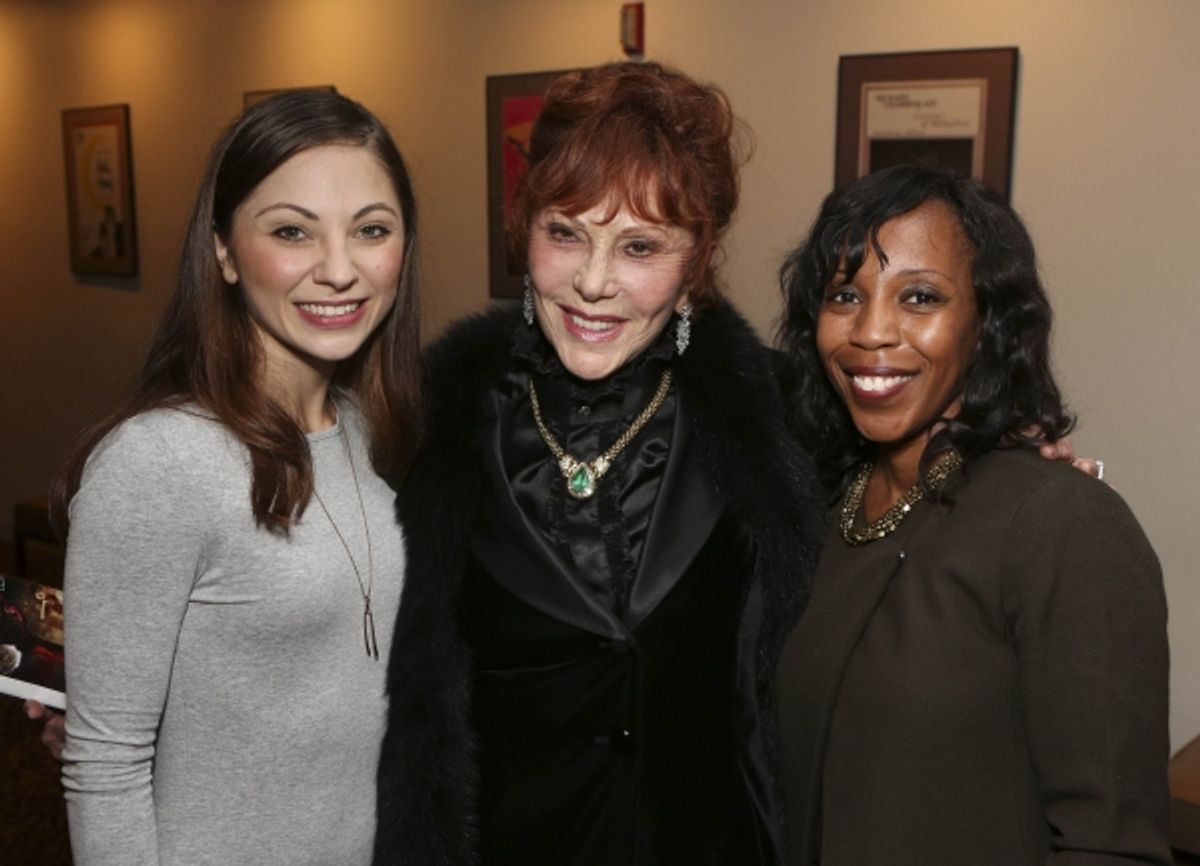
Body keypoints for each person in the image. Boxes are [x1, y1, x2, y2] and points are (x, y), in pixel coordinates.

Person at [372, 61, 827, 866]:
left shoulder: (782, 417)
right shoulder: (430, 421)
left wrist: (1017, 462)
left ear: (697, 261)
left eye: (640, 246)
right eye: (565, 232)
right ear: (525, 228)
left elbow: (916, 528)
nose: (591, 283)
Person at [51, 89, 422, 865]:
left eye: (371, 231)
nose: (339, 269)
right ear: (223, 250)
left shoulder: (377, 435)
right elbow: (105, 764)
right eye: (292, 231)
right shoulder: (162, 462)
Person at [774, 163, 1171, 865]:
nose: (871, 332)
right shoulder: (818, 504)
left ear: (987, 321)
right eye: (844, 294)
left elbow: (1111, 845)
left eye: (919, 297)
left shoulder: (1060, 522)